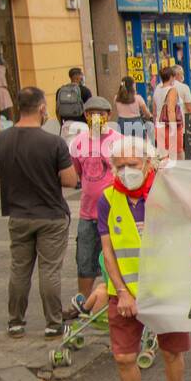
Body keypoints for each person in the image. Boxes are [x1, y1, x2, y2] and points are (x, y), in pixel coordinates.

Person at [98, 136, 191, 381]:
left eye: (133, 165)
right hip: (125, 295)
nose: (126, 171)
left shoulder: (165, 193)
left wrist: (170, 180)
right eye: (120, 166)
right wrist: (122, 291)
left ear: (148, 164)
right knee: (124, 357)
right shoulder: (108, 199)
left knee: (171, 351)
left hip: (166, 290)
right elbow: (108, 250)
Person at [0, 87, 77, 338]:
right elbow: (69, 180)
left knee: (19, 269)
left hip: (18, 215)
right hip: (51, 215)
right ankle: (53, 324)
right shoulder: (53, 142)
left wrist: (15, 178)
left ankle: (15, 322)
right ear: (41, 109)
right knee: (49, 271)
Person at [68, 96, 119, 302]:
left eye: (101, 114)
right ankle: (84, 301)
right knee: (85, 258)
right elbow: (76, 173)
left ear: (109, 116)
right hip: (87, 212)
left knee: (114, 257)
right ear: (86, 117)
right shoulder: (78, 142)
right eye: (91, 114)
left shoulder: (118, 140)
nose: (96, 118)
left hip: (113, 211)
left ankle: (113, 298)